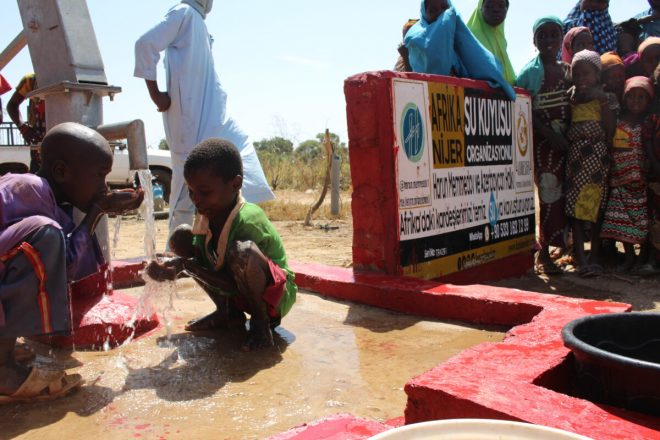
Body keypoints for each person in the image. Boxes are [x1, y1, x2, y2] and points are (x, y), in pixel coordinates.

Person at [0, 122, 144, 403]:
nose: (103, 186)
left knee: (48, 235)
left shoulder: (48, 195)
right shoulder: (31, 188)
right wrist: (95, 212)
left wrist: (98, 211)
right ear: (61, 172)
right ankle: (3, 370)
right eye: (99, 176)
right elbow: (63, 263)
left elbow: (69, 265)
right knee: (45, 236)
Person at [134, 0, 274, 240]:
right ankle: (175, 260)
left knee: (235, 171)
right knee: (185, 193)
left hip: (214, 117)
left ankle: (221, 243)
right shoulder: (184, 13)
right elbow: (145, 44)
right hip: (190, 124)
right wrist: (157, 96)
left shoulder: (198, 22)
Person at [146, 138, 296, 351]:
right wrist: (170, 266)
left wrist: (186, 267)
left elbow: (232, 282)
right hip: (236, 286)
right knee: (181, 237)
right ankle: (227, 313)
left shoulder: (248, 219)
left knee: (242, 253)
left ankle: (261, 325)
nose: (195, 199)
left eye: (204, 192)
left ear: (235, 185)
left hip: (274, 297)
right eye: (191, 191)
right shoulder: (207, 212)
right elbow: (199, 258)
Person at [516, 16, 571, 275]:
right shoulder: (528, 73)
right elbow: (524, 109)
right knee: (548, 196)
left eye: (553, 34)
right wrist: (549, 134)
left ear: (561, 37)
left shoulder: (568, 70)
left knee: (567, 196)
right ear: (534, 40)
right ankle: (544, 255)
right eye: (542, 35)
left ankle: (566, 248)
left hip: (567, 143)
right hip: (544, 145)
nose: (548, 40)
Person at [564, 50, 617, 277]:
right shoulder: (571, 96)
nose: (582, 79)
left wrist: (601, 101)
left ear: (597, 74)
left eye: (586, 74)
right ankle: (581, 259)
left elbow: (611, 129)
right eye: (577, 74)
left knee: (596, 207)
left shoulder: (608, 97)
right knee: (576, 209)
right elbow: (566, 125)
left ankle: (594, 257)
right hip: (576, 159)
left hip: (597, 158)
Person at [404, 0, 516, 101]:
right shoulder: (415, 37)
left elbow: (483, 64)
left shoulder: (460, 39)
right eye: (433, 10)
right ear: (424, 13)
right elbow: (433, 68)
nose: (442, 14)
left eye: (445, 8)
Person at [601, 77, 654, 272]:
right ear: (624, 99)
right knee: (620, 220)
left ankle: (641, 259)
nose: (636, 101)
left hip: (640, 184)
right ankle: (629, 257)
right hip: (619, 182)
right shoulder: (618, 123)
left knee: (642, 222)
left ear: (648, 101)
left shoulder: (648, 124)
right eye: (631, 97)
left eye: (641, 97)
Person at [467, 0, 516, 85]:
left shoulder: (501, 40)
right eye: (490, 6)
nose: (496, 10)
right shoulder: (470, 37)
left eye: (501, 6)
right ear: (480, 8)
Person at [6, 73, 45, 173]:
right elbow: (12, 105)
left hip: (66, 146)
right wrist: (23, 128)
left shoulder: (76, 76)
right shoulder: (31, 81)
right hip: (39, 146)